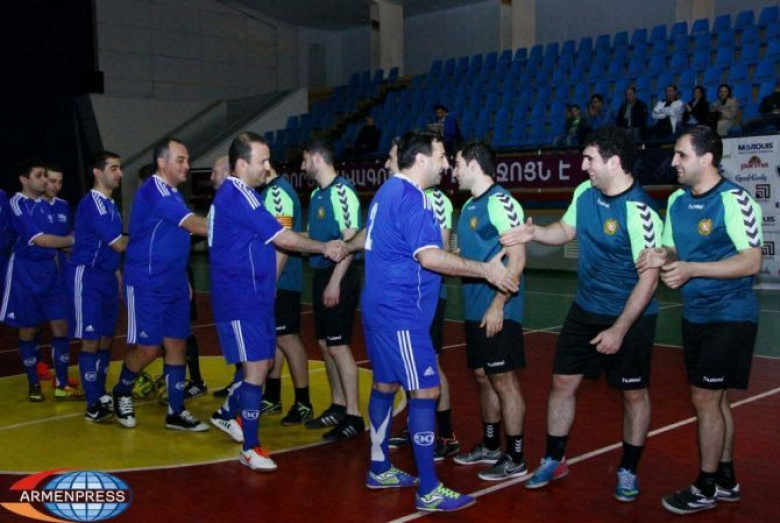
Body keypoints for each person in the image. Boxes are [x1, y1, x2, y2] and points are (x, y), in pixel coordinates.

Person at [347, 130, 519, 511]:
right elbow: (430, 257)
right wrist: (486, 271)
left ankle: (379, 466)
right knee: (426, 392)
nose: (445, 165)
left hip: (379, 308)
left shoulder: (386, 192)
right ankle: (428, 488)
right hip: (401, 314)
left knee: (385, 384)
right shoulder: (412, 198)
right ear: (421, 159)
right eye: (441, 156)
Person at [500, 126, 662, 502]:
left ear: (614, 162)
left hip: (630, 314)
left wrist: (619, 329)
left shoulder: (641, 211)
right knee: (562, 383)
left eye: (589, 159)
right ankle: (554, 459)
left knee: (633, 395)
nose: (583, 165)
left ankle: (628, 469)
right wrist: (535, 234)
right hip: (585, 308)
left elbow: (649, 280)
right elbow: (564, 229)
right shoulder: (584, 192)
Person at [636, 125, 763, 515]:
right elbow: (673, 248)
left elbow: (751, 261)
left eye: (682, 155)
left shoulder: (735, 200)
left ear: (707, 159)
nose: (673, 161)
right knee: (716, 398)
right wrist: (662, 255)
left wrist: (692, 268)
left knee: (704, 398)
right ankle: (725, 479)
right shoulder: (677, 201)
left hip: (731, 313)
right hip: (696, 313)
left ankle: (705, 487)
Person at [207, 132, 347, 471]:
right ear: (242, 164)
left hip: (252, 295)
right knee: (257, 368)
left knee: (263, 363)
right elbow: (283, 237)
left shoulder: (246, 195)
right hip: (240, 297)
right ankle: (250, 446)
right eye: (262, 161)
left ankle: (230, 414)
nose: (268, 167)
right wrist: (324, 246)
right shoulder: (238, 195)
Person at [111, 138, 210, 431]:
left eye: (187, 160)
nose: (187, 166)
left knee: (177, 343)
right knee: (149, 348)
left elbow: (175, 239)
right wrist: (245, 225)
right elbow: (194, 225)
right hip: (147, 281)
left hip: (174, 282)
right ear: (162, 162)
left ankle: (176, 411)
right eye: (181, 160)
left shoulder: (174, 194)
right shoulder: (154, 190)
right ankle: (121, 391)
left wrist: (184, 278)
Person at [450, 141, 528, 482]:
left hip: (500, 310)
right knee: (483, 377)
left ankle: (516, 456)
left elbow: (518, 258)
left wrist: (498, 304)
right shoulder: (469, 205)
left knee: (504, 379)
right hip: (473, 308)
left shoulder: (501, 202)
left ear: (473, 165)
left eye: (457, 164)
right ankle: (491, 445)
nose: (453, 171)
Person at [385, 137, 461, 460]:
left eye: (391, 157)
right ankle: (418, 427)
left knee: (431, 363)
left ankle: (446, 433)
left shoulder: (434, 199)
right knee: (411, 365)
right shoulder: (399, 195)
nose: (388, 163)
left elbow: (438, 251)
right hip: (408, 295)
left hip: (428, 295)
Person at [301, 138, 364, 440]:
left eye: (304, 160)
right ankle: (338, 405)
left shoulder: (342, 192)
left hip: (341, 275)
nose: (302, 166)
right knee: (326, 344)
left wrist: (336, 282)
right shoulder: (317, 195)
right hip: (321, 273)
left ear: (316, 159)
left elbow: (351, 240)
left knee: (339, 345)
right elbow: (317, 238)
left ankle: (354, 415)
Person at [0, 161, 76, 401]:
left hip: (51, 271)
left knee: (61, 325)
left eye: (46, 176)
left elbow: (60, 242)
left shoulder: (49, 205)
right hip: (25, 273)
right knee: (28, 328)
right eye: (40, 175)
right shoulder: (16, 204)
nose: (45, 180)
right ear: (24, 180)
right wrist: (73, 240)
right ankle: (33, 383)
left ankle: (62, 383)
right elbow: (41, 240)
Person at [69, 151, 128, 422]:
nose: (120, 173)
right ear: (97, 172)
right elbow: (118, 244)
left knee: (106, 338)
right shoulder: (93, 203)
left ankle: (100, 394)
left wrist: (116, 272)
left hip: (106, 276)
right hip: (88, 276)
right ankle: (93, 403)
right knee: (91, 340)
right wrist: (153, 238)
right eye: (113, 168)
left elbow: (111, 248)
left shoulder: (111, 204)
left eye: (120, 168)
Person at [256, 165, 315, 425]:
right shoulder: (271, 191)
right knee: (278, 337)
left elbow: (283, 241)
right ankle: (273, 396)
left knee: (287, 337)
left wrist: (272, 280)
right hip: (278, 278)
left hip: (283, 279)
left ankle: (303, 402)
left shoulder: (277, 193)